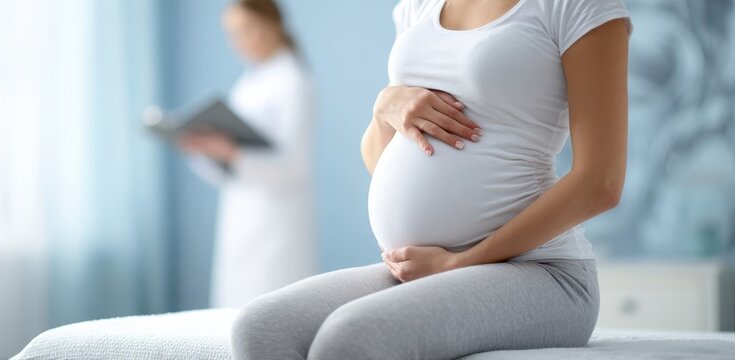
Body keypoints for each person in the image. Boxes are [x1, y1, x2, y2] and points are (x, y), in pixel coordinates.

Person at [231, 0, 631, 358]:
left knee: (352, 339)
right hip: (422, 268)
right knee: (262, 329)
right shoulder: (417, 7)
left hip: (539, 272)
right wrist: (383, 107)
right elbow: (381, 162)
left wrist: (462, 261)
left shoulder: (575, 5)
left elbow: (602, 182)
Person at [177, 0, 316, 309]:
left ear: (273, 25)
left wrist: (232, 154)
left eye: (246, 30)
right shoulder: (250, 81)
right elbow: (232, 165)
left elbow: (293, 169)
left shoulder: (293, 81)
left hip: (276, 226)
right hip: (241, 214)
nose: (239, 42)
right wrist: (205, 151)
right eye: (232, 33)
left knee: (268, 316)